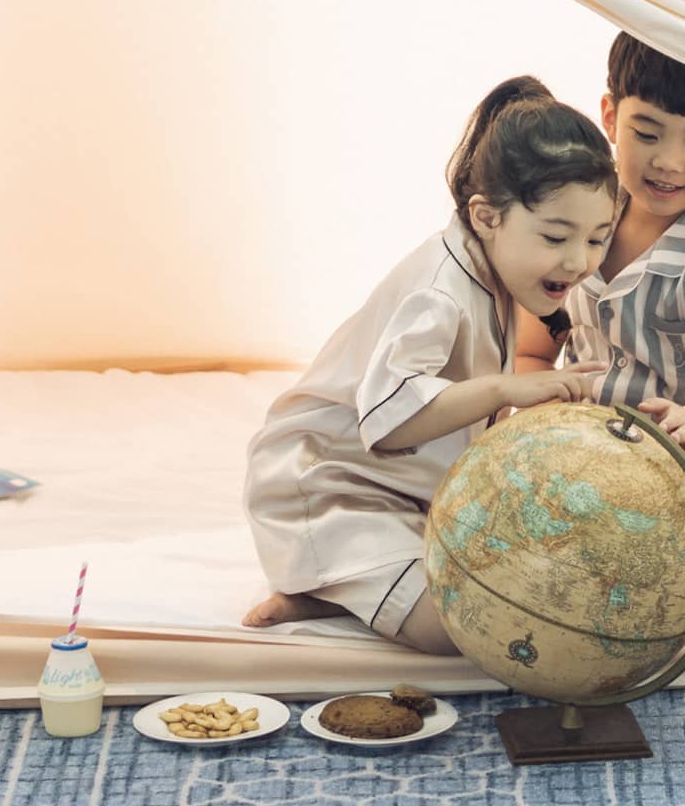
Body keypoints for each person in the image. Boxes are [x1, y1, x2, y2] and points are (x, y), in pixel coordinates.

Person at [241, 76, 619, 654]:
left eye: (597, 239)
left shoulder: (494, 268)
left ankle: (347, 586)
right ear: (487, 215)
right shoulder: (439, 292)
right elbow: (389, 421)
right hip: (329, 485)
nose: (578, 261)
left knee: (546, 577)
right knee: (463, 632)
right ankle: (333, 582)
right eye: (555, 236)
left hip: (403, 491)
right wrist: (504, 389)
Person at [515, 32, 685, 559]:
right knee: (488, 464)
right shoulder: (583, 210)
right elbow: (532, 350)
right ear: (611, 117)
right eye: (647, 133)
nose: (668, 161)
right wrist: (541, 421)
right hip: (590, 445)